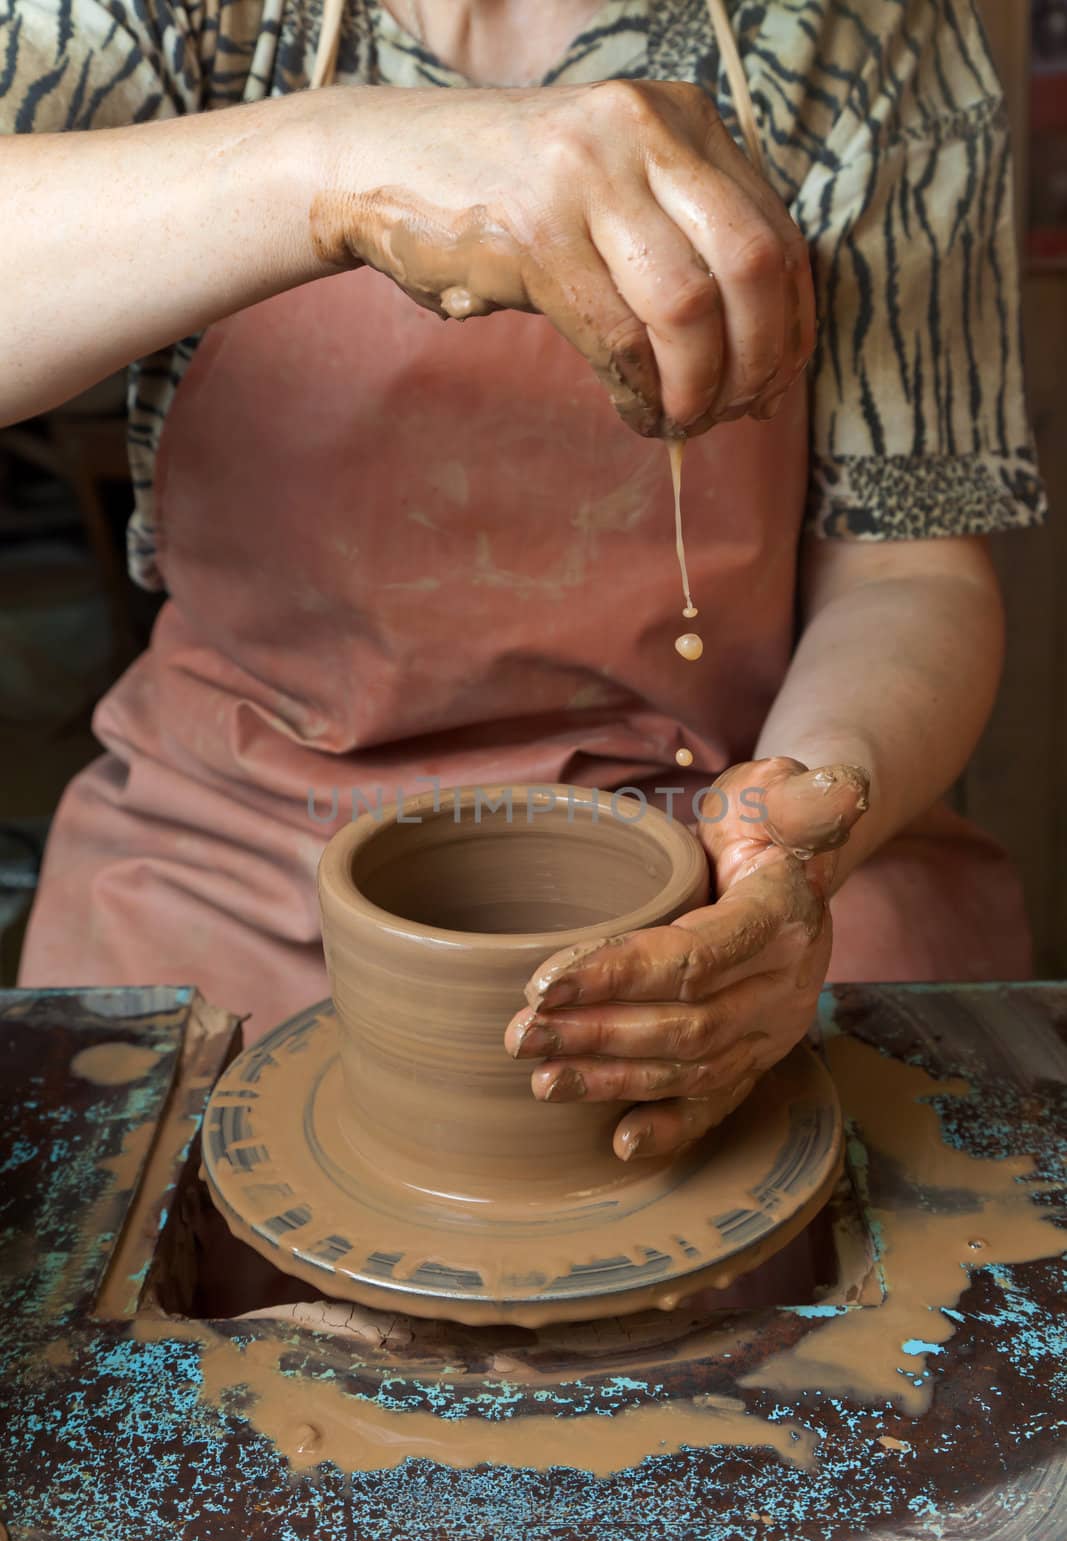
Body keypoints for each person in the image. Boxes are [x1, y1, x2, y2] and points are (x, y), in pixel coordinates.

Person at [5, 0, 1045, 1161]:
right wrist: (340, 159)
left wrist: (789, 841)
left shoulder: (863, 27)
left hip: (713, 830)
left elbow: (905, 566)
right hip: (234, 836)